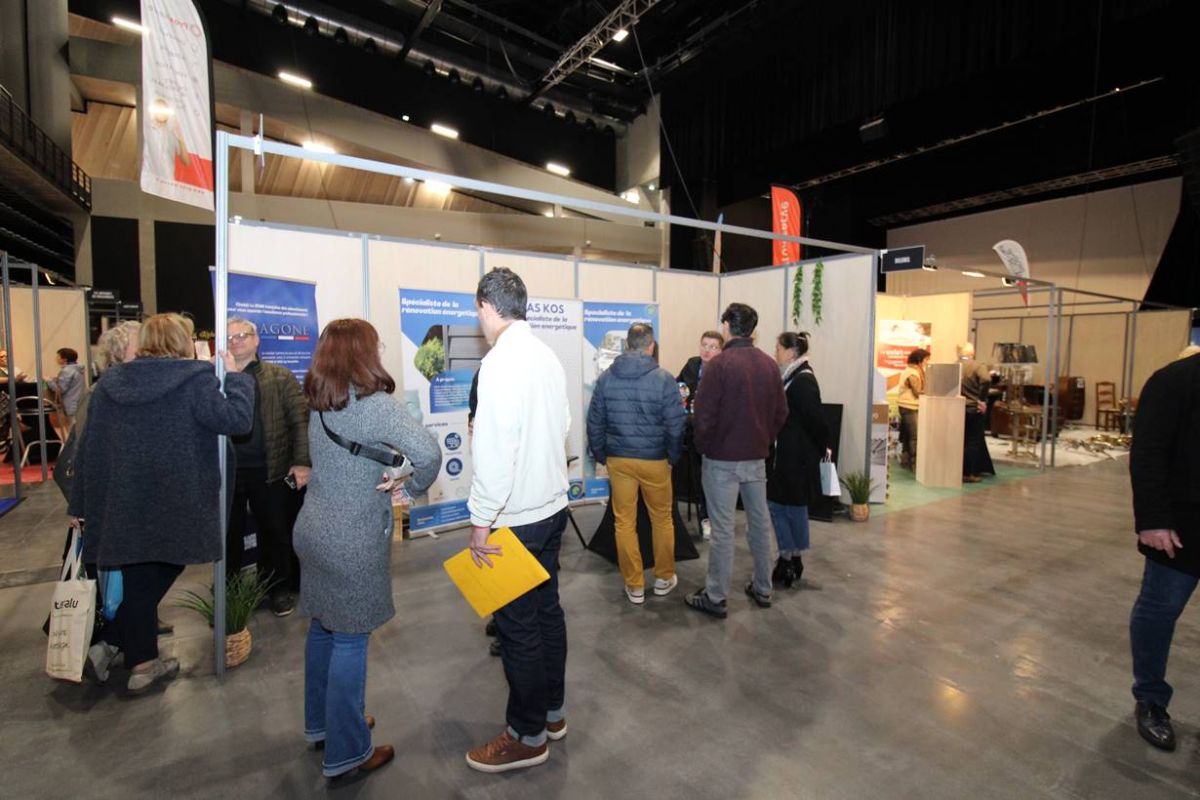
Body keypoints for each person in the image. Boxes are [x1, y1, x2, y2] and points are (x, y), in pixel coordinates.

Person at [69, 314, 254, 694]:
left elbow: (89, 448)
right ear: (182, 341)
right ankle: (132, 656)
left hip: (124, 498)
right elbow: (236, 420)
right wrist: (236, 377)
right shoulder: (195, 379)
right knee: (169, 561)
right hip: (178, 497)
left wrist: (80, 503)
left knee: (138, 573)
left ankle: (128, 652)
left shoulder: (110, 384)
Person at [294, 318, 441, 781]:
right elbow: (429, 453)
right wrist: (410, 487)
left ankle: (325, 724)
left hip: (313, 529)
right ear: (363, 353)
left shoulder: (319, 400)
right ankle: (349, 753)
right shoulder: (375, 406)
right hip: (352, 539)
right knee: (351, 639)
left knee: (323, 629)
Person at [464, 267, 571, 774]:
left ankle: (527, 735)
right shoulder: (546, 356)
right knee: (547, 612)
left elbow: (494, 453)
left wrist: (479, 521)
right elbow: (562, 426)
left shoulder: (499, 363)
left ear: (487, 306)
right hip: (551, 509)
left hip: (515, 518)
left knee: (518, 628)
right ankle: (551, 713)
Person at [685, 303, 788, 618]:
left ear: (727, 326)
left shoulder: (719, 365)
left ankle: (716, 596)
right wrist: (763, 439)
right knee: (759, 524)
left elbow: (703, 416)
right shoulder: (769, 364)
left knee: (723, 530)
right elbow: (781, 413)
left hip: (721, 460)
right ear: (752, 330)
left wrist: (705, 447)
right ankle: (763, 587)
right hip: (756, 459)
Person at [1127, 348, 1200, 752]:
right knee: (1159, 612)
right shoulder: (1174, 380)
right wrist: (1153, 519)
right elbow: (1147, 453)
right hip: (1181, 529)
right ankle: (1151, 699)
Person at [587, 322, 686, 604]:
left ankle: (634, 584)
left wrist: (602, 454)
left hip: (619, 460)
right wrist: (672, 456)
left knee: (624, 522)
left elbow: (594, 422)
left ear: (627, 345)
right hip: (655, 459)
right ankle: (664, 577)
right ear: (651, 346)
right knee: (662, 519)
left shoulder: (606, 378)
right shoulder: (664, 379)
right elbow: (676, 425)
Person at [224, 316, 311, 616]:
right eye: (230, 337)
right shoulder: (216, 378)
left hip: (270, 469)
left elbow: (299, 421)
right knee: (228, 536)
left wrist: (302, 463)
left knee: (275, 533)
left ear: (257, 340)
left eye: (242, 335)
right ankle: (229, 596)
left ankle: (277, 590)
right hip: (228, 471)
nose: (236, 341)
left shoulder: (280, 377)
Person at [767, 332, 831, 589]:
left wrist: (820, 448)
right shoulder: (791, 377)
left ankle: (790, 558)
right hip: (787, 456)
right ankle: (790, 557)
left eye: (778, 348)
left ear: (791, 352)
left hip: (796, 459)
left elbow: (816, 420)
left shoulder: (803, 381)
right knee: (783, 506)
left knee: (788, 507)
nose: (775, 352)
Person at [676, 331, 724, 538]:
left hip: (715, 433)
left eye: (713, 347)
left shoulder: (724, 370)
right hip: (691, 430)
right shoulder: (692, 365)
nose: (707, 350)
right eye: (704, 345)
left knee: (711, 477)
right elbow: (678, 388)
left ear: (721, 351)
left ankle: (709, 517)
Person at [958, 342, 995, 483]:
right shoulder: (978, 365)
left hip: (957, 408)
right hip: (973, 408)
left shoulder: (955, 365)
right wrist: (982, 399)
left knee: (960, 440)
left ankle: (957, 470)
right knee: (972, 441)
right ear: (972, 353)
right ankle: (968, 473)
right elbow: (986, 379)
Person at [897, 348, 929, 470]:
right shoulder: (913, 373)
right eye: (926, 359)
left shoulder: (911, 370)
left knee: (907, 435)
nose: (927, 362)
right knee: (914, 436)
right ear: (919, 360)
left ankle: (906, 461)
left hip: (907, 406)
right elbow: (917, 392)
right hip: (909, 406)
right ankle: (915, 464)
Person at [46, 347, 85, 438]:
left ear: (64, 359)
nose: (56, 359)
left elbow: (60, 389)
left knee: (72, 432)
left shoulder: (67, 371)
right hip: (78, 401)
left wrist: (48, 381)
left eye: (58, 356)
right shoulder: (77, 369)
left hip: (70, 404)